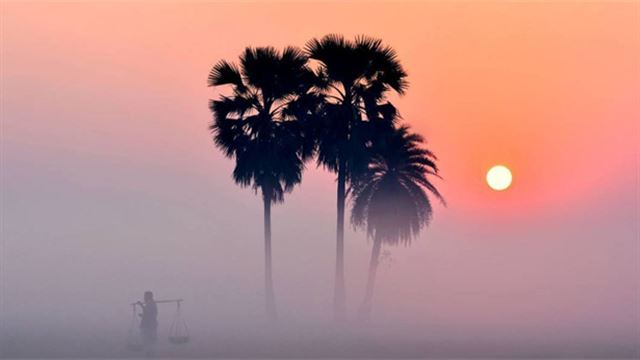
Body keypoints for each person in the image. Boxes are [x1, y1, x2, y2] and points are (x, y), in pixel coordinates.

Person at [137, 291, 158, 356]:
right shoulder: (150, 304)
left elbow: (148, 313)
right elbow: (148, 314)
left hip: (149, 326)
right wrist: (143, 315)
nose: (144, 298)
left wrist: (141, 305)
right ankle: (149, 354)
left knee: (149, 342)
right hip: (149, 325)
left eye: (145, 296)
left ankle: (150, 355)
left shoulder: (151, 304)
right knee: (148, 342)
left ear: (149, 297)